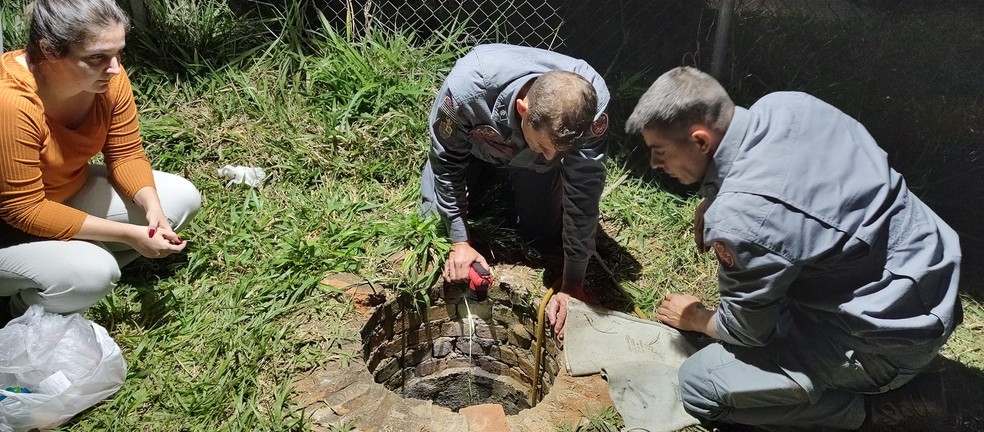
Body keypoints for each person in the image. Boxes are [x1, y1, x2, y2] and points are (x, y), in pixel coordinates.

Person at [625, 66, 961, 430]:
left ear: (701, 141)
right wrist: (716, 197)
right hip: (927, 281)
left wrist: (695, 317)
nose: (655, 164)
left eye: (659, 151)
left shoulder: (742, 219)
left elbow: (749, 332)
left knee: (698, 385)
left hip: (883, 343)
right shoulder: (787, 106)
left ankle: (882, 410)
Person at [0, 0, 201, 317]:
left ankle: (74, 270)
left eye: (117, 52)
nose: (115, 68)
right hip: (8, 226)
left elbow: (126, 153)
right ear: (49, 50)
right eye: (96, 58)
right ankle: (23, 313)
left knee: (180, 200)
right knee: (93, 274)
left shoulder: (108, 80)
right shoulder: (10, 102)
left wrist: (152, 209)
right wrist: (129, 234)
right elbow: (22, 210)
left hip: (62, 193)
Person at [419, 44, 610, 337]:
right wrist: (460, 242)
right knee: (434, 223)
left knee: (542, 233)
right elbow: (446, 163)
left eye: (558, 152)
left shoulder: (590, 106)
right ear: (523, 108)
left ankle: (510, 177)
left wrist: (573, 283)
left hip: (527, 162)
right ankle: (484, 178)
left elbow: (584, 193)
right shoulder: (468, 89)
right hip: (474, 149)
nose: (551, 157)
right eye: (546, 145)